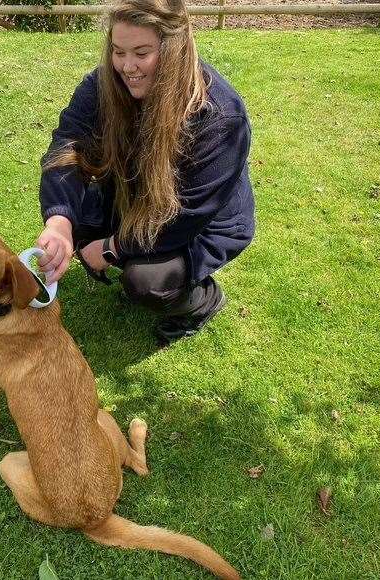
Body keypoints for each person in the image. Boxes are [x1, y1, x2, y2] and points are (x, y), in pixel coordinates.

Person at [35, 0, 255, 343]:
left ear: (174, 49)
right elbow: (68, 145)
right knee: (77, 222)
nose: (127, 67)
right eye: (118, 51)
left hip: (202, 224)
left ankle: (201, 301)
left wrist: (111, 248)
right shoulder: (103, 84)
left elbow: (183, 218)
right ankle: (128, 254)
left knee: (146, 281)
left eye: (142, 53)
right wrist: (59, 221)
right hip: (135, 193)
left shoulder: (220, 117)